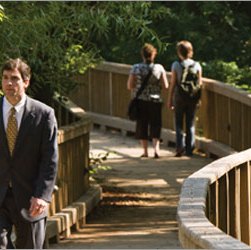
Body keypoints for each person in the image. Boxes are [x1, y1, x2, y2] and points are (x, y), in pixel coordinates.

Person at [0, 58, 58, 248]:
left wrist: (42, 195)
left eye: (15, 79)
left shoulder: (44, 114)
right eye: (5, 78)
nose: (9, 83)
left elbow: (50, 159)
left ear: (26, 82)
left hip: (30, 197)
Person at [127, 43, 168, 158]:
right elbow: (166, 85)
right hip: (155, 100)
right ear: (153, 54)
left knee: (142, 124)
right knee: (156, 124)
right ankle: (156, 149)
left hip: (141, 100)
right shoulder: (159, 68)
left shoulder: (136, 68)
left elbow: (130, 85)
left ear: (143, 55)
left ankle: (145, 151)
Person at [167, 40, 202, 157]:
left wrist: (169, 99)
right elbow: (200, 83)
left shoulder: (176, 65)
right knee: (190, 123)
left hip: (179, 97)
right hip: (192, 97)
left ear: (179, 52)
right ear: (190, 51)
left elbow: (173, 83)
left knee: (178, 124)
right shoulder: (197, 65)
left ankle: (179, 148)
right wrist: (198, 99)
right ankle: (190, 149)